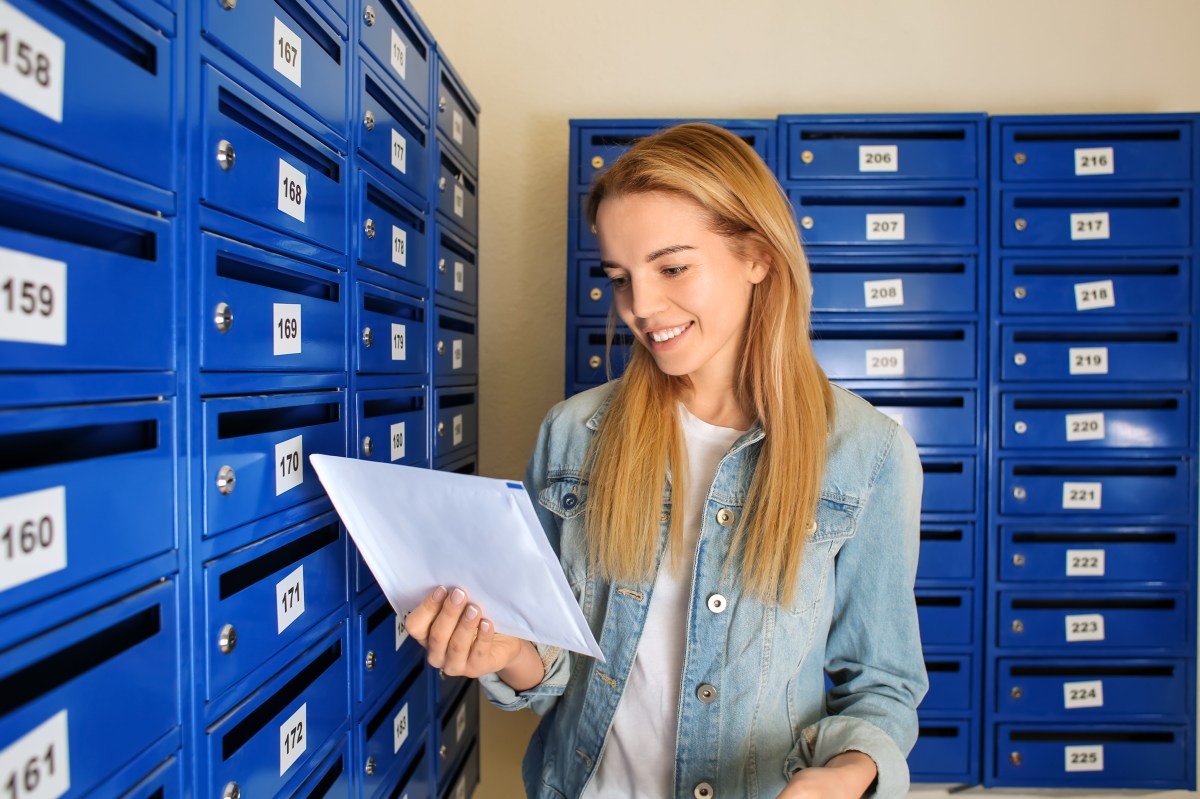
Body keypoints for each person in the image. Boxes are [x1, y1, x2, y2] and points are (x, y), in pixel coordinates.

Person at [404, 122, 926, 799]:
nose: (640, 307)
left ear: (758, 257)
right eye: (620, 277)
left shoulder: (868, 453)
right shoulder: (573, 435)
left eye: (673, 267)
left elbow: (882, 686)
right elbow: (552, 666)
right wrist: (508, 655)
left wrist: (849, 775)